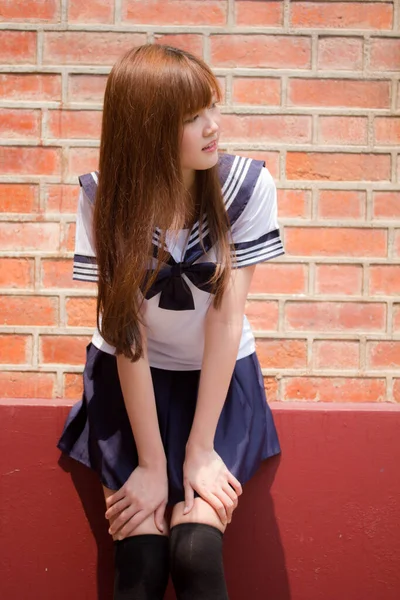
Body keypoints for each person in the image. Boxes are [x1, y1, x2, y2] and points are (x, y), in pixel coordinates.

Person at [57, 43, 284, 600]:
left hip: (218, 380)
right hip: (132, 380)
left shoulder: (247, 189)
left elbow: (226, 322)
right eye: (191, 117)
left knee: (195, 548)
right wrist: (154, 463)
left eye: (212, 106)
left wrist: (200, 450)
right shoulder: (105, 198)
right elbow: (126, 334)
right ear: (150, 131)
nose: (213, 126)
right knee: (141, 552)